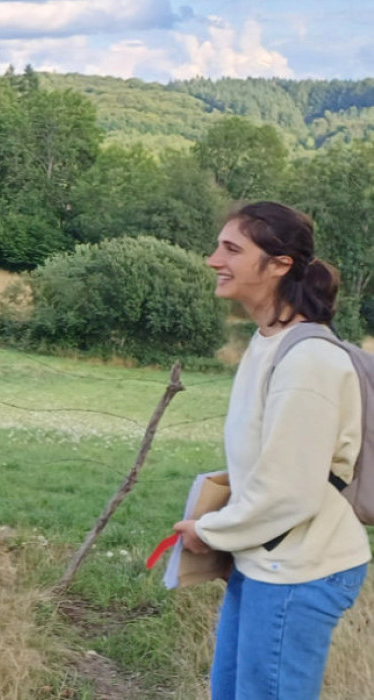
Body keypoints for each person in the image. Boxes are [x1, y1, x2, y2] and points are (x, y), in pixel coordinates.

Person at [175, 201, 371, 700]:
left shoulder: (308, 361)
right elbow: (279, 459)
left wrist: (212, 530)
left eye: (232, 248)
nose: (213, 259)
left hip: (300, 570)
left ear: (280, 264)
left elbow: (290, 491)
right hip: (268, 559)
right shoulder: (268, 342)